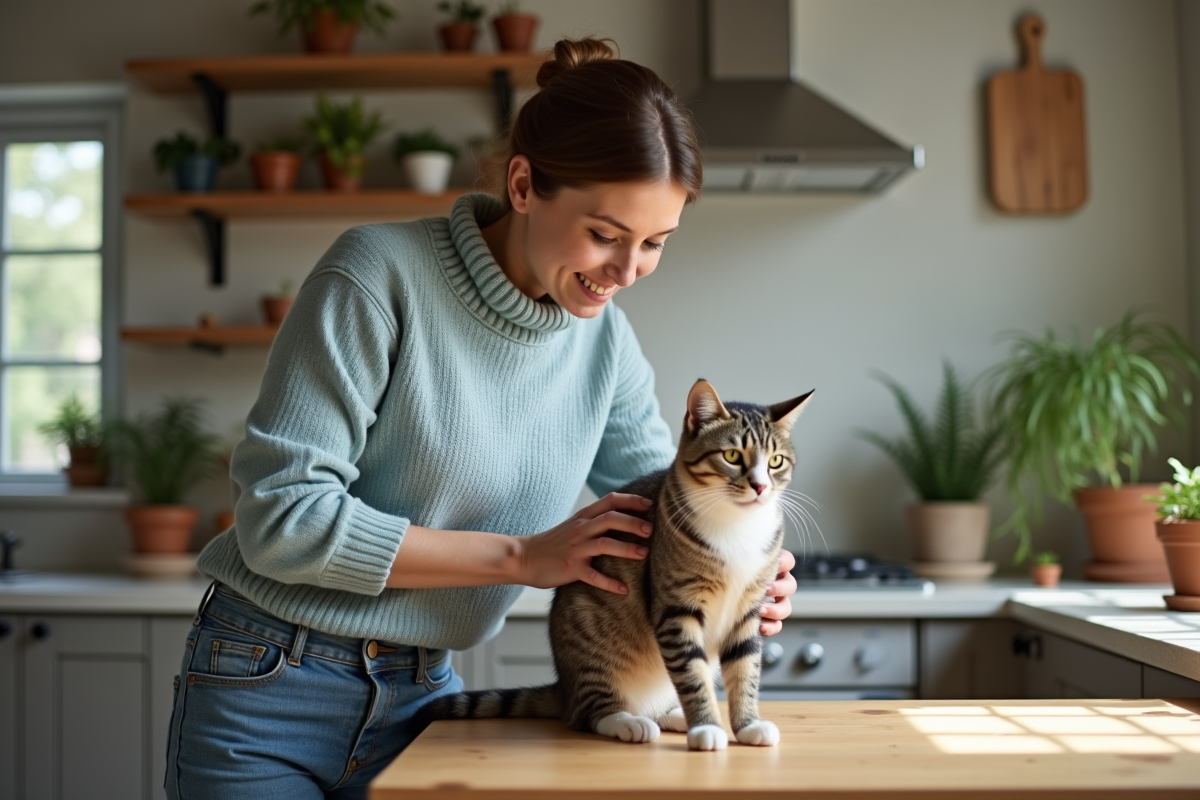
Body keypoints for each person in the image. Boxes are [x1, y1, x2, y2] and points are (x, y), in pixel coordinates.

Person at [164, 37, 798, 800]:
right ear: (524, 185)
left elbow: (660, 514)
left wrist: (731, 560)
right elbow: (280, 519)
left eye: (654, 244)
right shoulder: (377, 277)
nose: (628, 271)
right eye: (605, 235)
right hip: (268, 686)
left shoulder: (607, 343)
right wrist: (520, 558)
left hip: (426, 697)